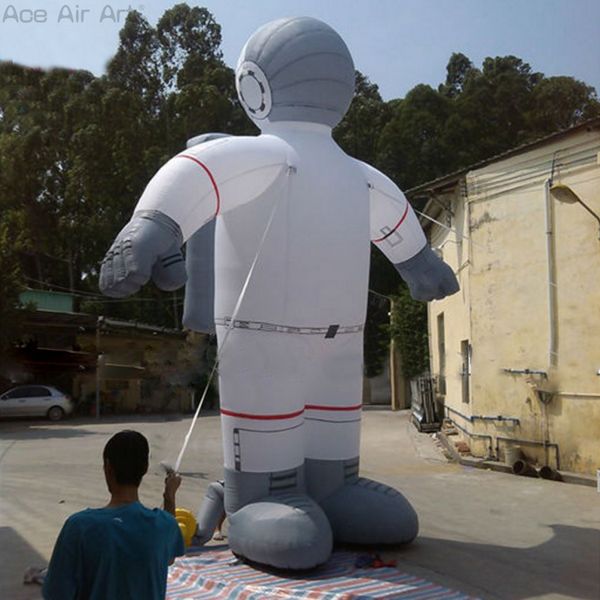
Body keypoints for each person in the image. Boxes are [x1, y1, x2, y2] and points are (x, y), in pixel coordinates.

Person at [42, 430, 185, 600]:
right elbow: (167, 558)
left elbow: (56, 593)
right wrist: (169, 497)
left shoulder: (79, 527)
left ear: (108, 468)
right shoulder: (165, 524)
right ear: (145, 468)